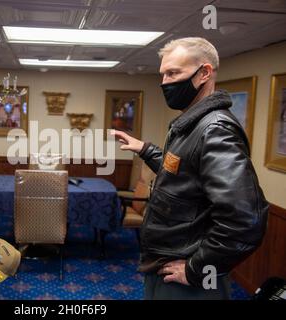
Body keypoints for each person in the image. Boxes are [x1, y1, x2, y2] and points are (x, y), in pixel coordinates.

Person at [112, 37, 268, 300]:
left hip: (189, 278)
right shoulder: (192, 124)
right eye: (163, 75)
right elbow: (182, 174)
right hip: (166, 262)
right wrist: (146, 150)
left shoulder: (215, 129)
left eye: (173, 73)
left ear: (204, 73)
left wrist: (197, 269)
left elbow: (245, 219)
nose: (164, 82)